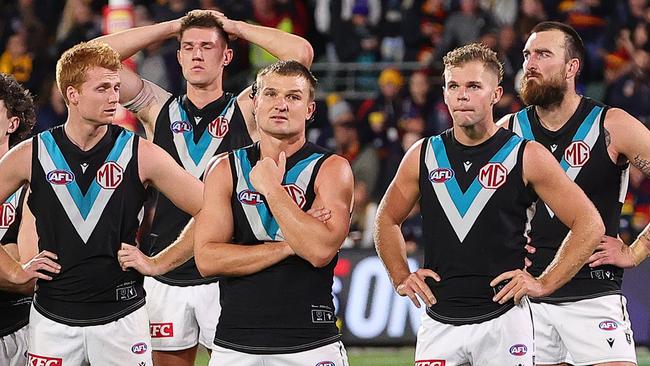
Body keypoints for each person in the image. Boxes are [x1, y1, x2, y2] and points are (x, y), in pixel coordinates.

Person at [95, 10, 313, 365]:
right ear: (178, 55)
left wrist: (236, 28)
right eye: (188, 47)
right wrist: (170, 28)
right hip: (164, 271)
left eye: (208, 47)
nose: (197, 54)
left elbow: (300, 55)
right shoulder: (157, 107)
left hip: (227, 273)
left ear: (226, 55)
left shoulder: (247, 108)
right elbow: (92, 59)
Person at [374, 43, 604, 366]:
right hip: (439, 323)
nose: (462, 95)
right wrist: (400, 275)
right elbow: (386, 219)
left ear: (496, 94)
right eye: (453, 86)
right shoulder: (422, 155)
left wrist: (544, 282)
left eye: (473, 87)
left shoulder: (526, 155)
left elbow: (590, 223)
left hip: (506, 323)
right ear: (443, 93)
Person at [0, 41, 204, 365]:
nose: (114, 97)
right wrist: (12, 271)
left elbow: (211, 208)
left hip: (123, 318)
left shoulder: (140, 153)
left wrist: (160, 263)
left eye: (116, 87)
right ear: (72, 94)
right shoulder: (31, 153)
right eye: (103, 88)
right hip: (51, 318)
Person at [500, 21, 650, 366]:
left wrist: (636, 251)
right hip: (527, 299)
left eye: (543, 54)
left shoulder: (612, 125)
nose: (530, 64)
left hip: (593, 293)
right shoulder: (508, 132)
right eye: (527, 55)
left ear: (572, 67)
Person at [193, 60, 353, 365]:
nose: (281, 105)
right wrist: (289, 247)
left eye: (293, 97)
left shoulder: (332, 169)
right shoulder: (224, 167)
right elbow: (207, 259)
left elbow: (319, 250)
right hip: (235, 345)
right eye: (270, 94)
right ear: (254, 102)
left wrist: (271, 189)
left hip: (311, 344)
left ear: (309, 110)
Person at [0, 73, 61, 366]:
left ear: (12, 123)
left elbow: (27, 276)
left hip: (17, 328)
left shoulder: (33, 185)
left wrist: (15, 271)